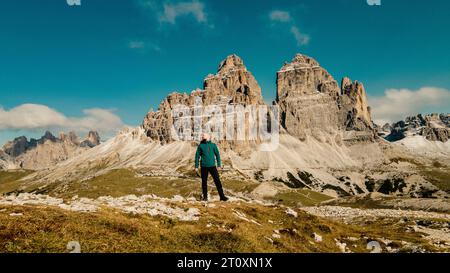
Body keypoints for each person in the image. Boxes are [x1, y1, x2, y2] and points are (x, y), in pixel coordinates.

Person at [195, 133, 228, 202]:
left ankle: (222, 196)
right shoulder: (200, 146)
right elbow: (197, 156)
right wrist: (196, 166)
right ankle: (205, 197)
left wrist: (219, 165)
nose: (202, 136)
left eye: (203, 135)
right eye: (202, 135)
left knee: (217, 181)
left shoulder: (213, 145)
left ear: (208, 137)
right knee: (204, 182)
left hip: (212, 166)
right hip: (204, 167)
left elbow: (217, 155)